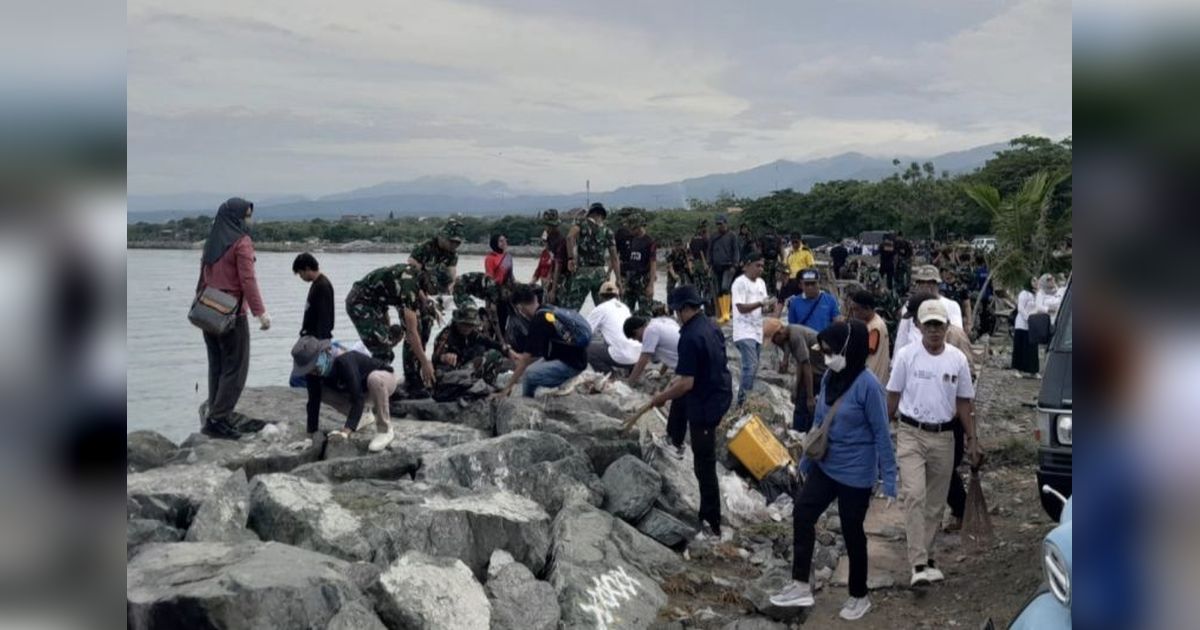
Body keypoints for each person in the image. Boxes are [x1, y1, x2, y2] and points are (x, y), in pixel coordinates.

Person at [769, 321, 897, 621]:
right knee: (802, 513)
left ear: (848, 350)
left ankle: (858, 595)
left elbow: (882, 433)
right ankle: (800, 583)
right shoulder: (830, 377)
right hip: (827, 466)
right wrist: (806, 461)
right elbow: (820, 422)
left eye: (831, 352)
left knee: (852, 532)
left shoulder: (869, 386)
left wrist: (889, 479)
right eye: (824, 352)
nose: (826, 357)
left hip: (856, 474)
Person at [885, 299, 980, 588]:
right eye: (929, 325)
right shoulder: (906, 356)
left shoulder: (957, 359)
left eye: (939, 325)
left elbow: (964, 402)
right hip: (911, 433)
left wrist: (973, 440)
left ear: (947, 326)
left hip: (944, 437)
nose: (935, 331)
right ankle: (918, 563)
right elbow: (893, 395)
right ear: (918, 326)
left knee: (935, 504)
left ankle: (927, 557)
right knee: (914, 495)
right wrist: (880, 431)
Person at [640, 285, 732, 536]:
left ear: (681, 309)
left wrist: (660, 397)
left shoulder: (690, 337)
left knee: (704, 464)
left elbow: (687, 383)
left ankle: (711, 521)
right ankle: (675, 439)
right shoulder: (710, 325)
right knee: (679, 400)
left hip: (706, 402)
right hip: (719, 391)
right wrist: (674, 385)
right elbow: (687, 373)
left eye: (676, 311)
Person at [196, 197, 270, 439]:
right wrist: (261, 313)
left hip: (209, 311)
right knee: (236, 368)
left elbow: (202, 278)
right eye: (246, 215)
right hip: (232, 314)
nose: (249, 220)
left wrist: (199, 303)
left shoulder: (213, 240)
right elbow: (247, 280)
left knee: (216, 365)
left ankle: (214, 416)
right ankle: (219, 418)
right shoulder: (242, 242)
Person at [344, 263, 437, 394]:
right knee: (383, 350)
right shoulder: (409, 285)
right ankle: (374, 388)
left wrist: (427, 305)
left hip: (378, 303)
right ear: (427, 280)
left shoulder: (418, 278)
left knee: (392, 336)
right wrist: (425, 362)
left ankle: (400, 379)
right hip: (360, 302)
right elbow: (411, 332)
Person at [292, 336, 397, 451]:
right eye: (308, 369)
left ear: (324, 352)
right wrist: (310, 437)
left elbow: (358, 398)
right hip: (360, 391)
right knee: (320, 391)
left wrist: (346, 431)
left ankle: (385, 430)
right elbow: (313, 402)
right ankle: (363, 416)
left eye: (313, 366)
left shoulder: (344, 360)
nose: (312, 371)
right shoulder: (313, 374)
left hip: (383, 381)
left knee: (374, 379)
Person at [502, 284, 589, 397]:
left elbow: (524, 362)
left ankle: (526, 402)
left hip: (572, 365)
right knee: (530, 368)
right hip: (577, 358)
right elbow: (535, 355)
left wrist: (506, 388)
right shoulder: (548, 309)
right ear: (535, 299)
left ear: (520, 307)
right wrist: (523, 358)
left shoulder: (538, 321)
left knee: (528, 376)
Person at [431, 307, 511, 397]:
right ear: (458, 322)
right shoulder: (446, 335)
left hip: (466, 369)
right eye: (464, 324)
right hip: (450, 373)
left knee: (493, 355)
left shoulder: (472, 334)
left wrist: (506, 349)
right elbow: (434, 358)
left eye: (470, 325)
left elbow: (489, 342)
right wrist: (444, 357)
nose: (467, 328)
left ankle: (485, 384)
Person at [764, 318, 821, 432]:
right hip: (813, 370)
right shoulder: (789, 335)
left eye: (774, 340)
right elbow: (800, 363)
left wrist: (810, 397)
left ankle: (804, 434)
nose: (775, 344)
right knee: (800, 401)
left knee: (809, 405)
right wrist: (796, 388)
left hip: (820, 372)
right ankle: (799, 434)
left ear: (780, 333)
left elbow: (806, 366)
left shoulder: (795, 336)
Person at [731, 253, 774, 406]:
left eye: (762, 266)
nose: (761, 269)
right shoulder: (739, 283)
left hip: (757, 330)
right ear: (747, 265)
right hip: (743, 330)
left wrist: (769, 306)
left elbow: (764, 306)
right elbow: (741, 307)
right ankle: (742, 402)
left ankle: (746, 398)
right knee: (751, 365)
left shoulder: (761, 283)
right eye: (757, 265)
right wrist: (761, 304)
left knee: (753, 366)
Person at [893, 266, 965, 355]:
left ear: (938, 284)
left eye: (930, 282)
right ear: (917, 285)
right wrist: (895, 360)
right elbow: (902, 337)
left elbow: (956, 335)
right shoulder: (911, 305)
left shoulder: (952, 306)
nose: (926, 286)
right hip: (913, 357)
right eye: (922, 282)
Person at [562, 203, 621, 310]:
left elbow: (570, 237)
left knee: (571, 310)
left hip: (583, 273)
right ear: (602, 216)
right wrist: (618, 279)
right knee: (605, 309)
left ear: (590, 213)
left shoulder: (581, 225)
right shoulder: (608, 231)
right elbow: (614, 257)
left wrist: (570, 259)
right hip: (599, 274)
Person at [586, 281, 644, 374]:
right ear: (617, 296)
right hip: (639, 356)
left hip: (624, 357)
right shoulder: (625, 307)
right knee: (612, 338)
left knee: (588, 349)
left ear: (600, 297)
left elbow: (585, 331)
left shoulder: (600, 309)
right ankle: (630, 370)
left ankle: (609, 375)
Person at [846, 290, 890, 386]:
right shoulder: (873, 322)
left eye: (856, 309)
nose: (854, 313)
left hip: (873, 378)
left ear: (868, 309)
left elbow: (867, 350)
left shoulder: (875, 327)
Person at [623, 314, 681, 383]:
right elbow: (670, 350)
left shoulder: (650, 331)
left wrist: (629, 382)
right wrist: (661, 372)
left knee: (667, 391)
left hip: (688, 369)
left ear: (636, 331)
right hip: (691, 361)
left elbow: (643, 360)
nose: (638, 341)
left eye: (635, 338)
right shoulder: (661, 322)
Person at [620, 214, 657, 316]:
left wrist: (651, 285)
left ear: (639, 227)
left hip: (643, 281)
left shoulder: (650, 242)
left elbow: (653, 263)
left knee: (645, 313)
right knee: (625, 312)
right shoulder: (631, 239)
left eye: (632, 228)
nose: (630, 231)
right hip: (630, 281)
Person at [785, 268, 840, 333]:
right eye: (807, 284)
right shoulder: (794, 303)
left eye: (813, 283)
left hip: (824, 340)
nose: (810, 287)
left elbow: (837, 323)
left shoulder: (830, 300)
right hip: (804, 341)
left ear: (819, 283)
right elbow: (792, 327)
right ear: (801, 285)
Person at [293, 252, 334, 340]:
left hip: (317, 340)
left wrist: (322, 342)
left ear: (307, 269)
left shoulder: (322, 286)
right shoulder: (317, 284)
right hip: (312, 337)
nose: (301, 277)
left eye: (300, 273)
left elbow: (325, 316)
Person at [707, 215, 740, 324]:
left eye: (721, 224)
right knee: (719, 291)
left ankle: (726, 313)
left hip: (728, 266)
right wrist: (709, 264)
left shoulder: (732, 236)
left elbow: (736, 251)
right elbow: (709, 251)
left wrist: (735, 265)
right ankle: (722, 313)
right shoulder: (713, 236)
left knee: (725, 287)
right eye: (717, 224)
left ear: (726, 223)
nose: (719, 226)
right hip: (716, 267)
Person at [484, 233, 516, 336]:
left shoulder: (508, 257)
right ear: (495, 243)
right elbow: (489, 278)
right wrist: (491, 299)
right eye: (501, 241)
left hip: (505, 294)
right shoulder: (490, 258)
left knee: (503, 322)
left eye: (505, 240)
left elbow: (511, 276)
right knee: (492, 323)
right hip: (494, 293)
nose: (504, 243)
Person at [1011, 277, 1039, 377]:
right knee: (1020, 347)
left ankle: (1033, 370)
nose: (1036, 282)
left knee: (1032, 348)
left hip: (1032, 325)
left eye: (1037, 281)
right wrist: (1028, 318)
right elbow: (1021, 308)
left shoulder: (1036, 294)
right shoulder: (1024, 293)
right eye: (1034, 281)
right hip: (1022, 324)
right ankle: (1017, 369)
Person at [689, 221, 713, 313]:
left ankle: (697, 308)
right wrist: (706, 265)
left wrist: (691, 267)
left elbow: (690, 253)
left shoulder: (693, 240)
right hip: (702, 264)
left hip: (695, 264)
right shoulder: (704, 240)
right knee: (706, 287)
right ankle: (708, 309)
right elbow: (702, 253)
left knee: (697, 287)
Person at [758, 231, 782, 297]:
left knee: (765, 280)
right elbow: (781, 251)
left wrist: (760, 260)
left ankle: (765, 295)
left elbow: (759, 251)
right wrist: (782, 261)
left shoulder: (763, 237)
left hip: (765, 261)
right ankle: (775, 295)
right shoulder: (778, 238)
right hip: (775, 261)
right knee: (775, 280)